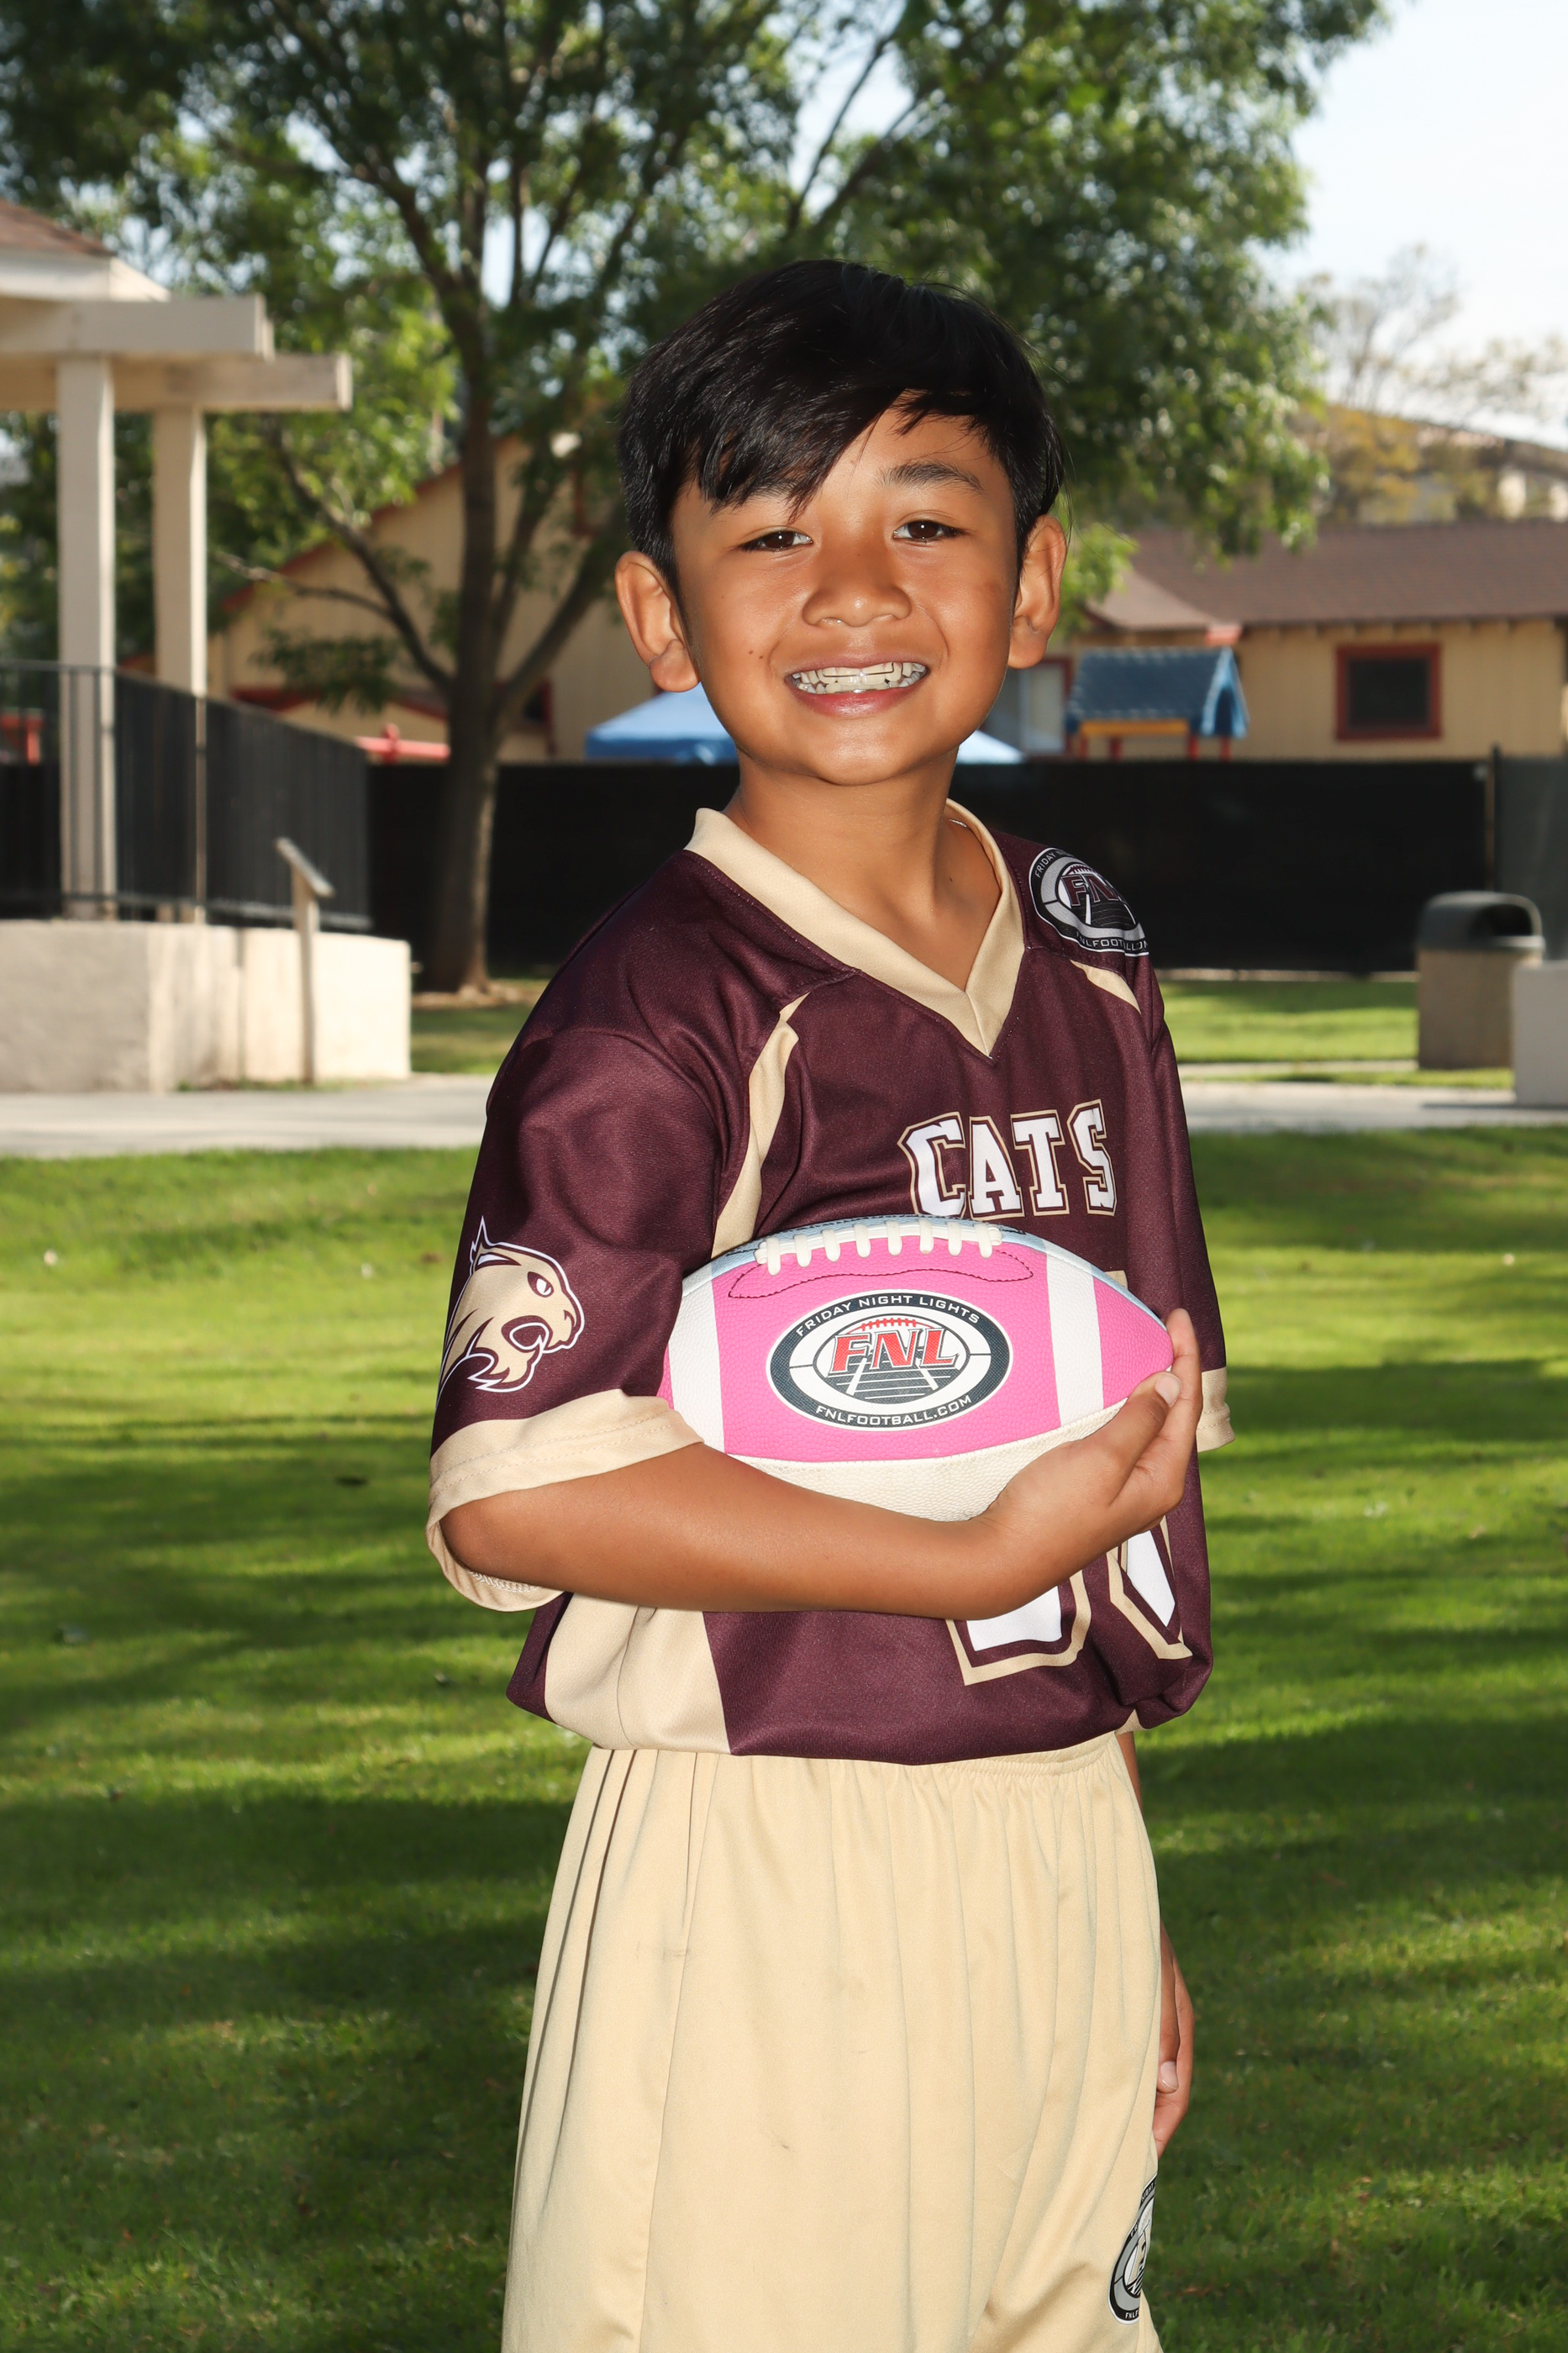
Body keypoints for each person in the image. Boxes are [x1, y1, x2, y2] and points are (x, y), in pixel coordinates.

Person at [428, 258, 1231, 2353]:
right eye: (773, 534)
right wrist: (959, 1554)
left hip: (1053, 1841)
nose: (854, 589)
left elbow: (1121, 1468)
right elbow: (522, 1490)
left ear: (1032, 582)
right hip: (769, 1857)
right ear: (658, 614)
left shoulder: (1090, 956)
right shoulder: (654, 1008)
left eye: (924, 520)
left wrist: (1110, 1876)